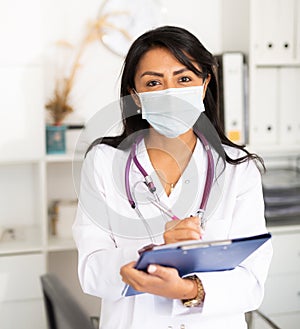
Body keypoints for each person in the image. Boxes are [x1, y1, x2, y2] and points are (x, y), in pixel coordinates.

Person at [73, 26, 272, 329]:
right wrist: (152, 253)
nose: (170, 93)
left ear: (204, 85)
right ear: (135, 96)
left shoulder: (237, 170)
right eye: (153, 82)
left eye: (184, 79)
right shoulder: (103, 162)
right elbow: (91, 272)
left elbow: (252, 282)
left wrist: (188, 291)